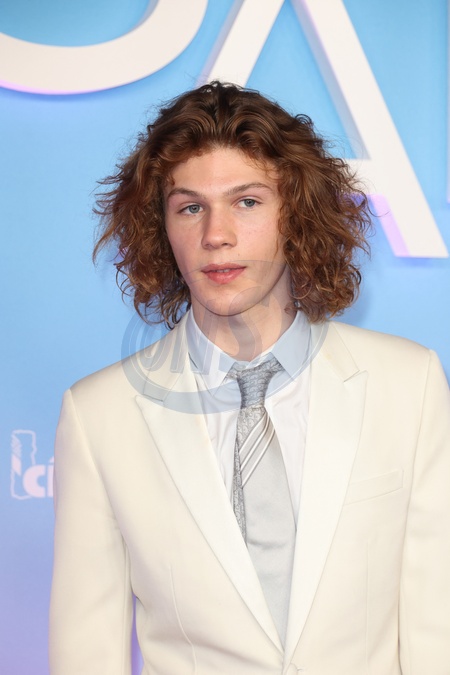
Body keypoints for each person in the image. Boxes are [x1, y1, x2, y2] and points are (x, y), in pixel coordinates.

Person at [49, 81, 450, 674]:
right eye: (190, 207)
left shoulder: (408, 384)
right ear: (162, 228)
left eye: (247, 202)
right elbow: (87, 652)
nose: (216, 235)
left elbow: (436, 630)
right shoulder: (98, 415)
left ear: (297, 215)